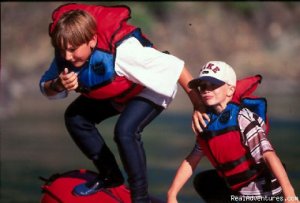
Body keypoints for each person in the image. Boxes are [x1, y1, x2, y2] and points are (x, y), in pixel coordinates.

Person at [39, 3, 206, 203]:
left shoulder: (124, 52)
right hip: (119, 94)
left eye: (73, 50)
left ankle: (140, 198)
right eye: (62, 49)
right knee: (75, 117)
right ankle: (110, 175)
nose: (67, 55)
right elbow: (45, 87)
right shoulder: (65, 54)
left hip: (151, 88)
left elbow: (176, 67)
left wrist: (198, 105)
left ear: (92, 40)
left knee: (125, 131)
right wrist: (58, 84)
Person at [167, 61, 298, 203]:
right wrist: (172, 194)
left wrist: (289, 194)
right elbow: (192, 159)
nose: (206, 90)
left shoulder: (242, 118)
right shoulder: (207, 123)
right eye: (203, 86)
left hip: (264, 192)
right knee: (204, 181)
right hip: (239, 192)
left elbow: (269, 155)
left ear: (230, 90)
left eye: (213, 85)